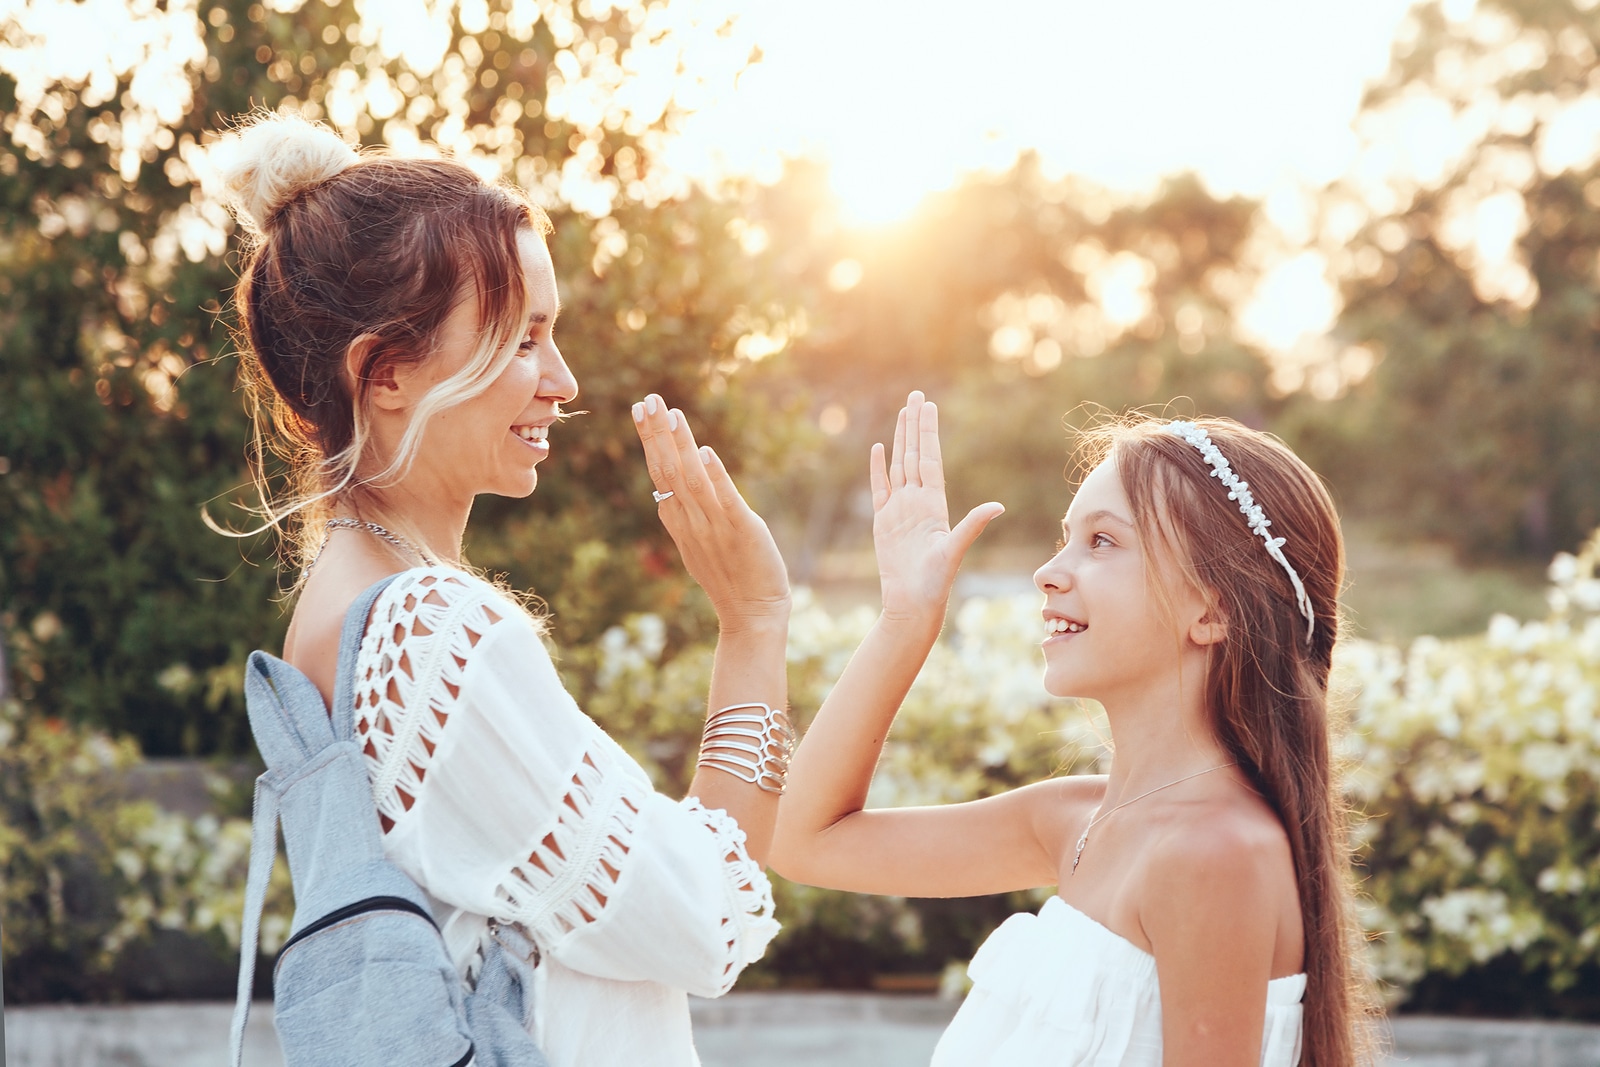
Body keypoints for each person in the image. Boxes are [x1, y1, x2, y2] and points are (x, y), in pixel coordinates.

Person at [209, 112, 793, 1067]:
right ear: (386, 372)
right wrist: (754, 621)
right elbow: (709, 922)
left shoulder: (351, 605)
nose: (562, 380)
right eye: (523, 339)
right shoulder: (432, 632)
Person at [770, 392, 1375, 1066]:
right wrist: (906, 618)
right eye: (1067, 537)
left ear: (1211, 610)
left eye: (1102, 541)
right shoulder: (1077, 820)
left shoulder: (1214, 854)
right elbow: (804, 841)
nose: (1048, 572)